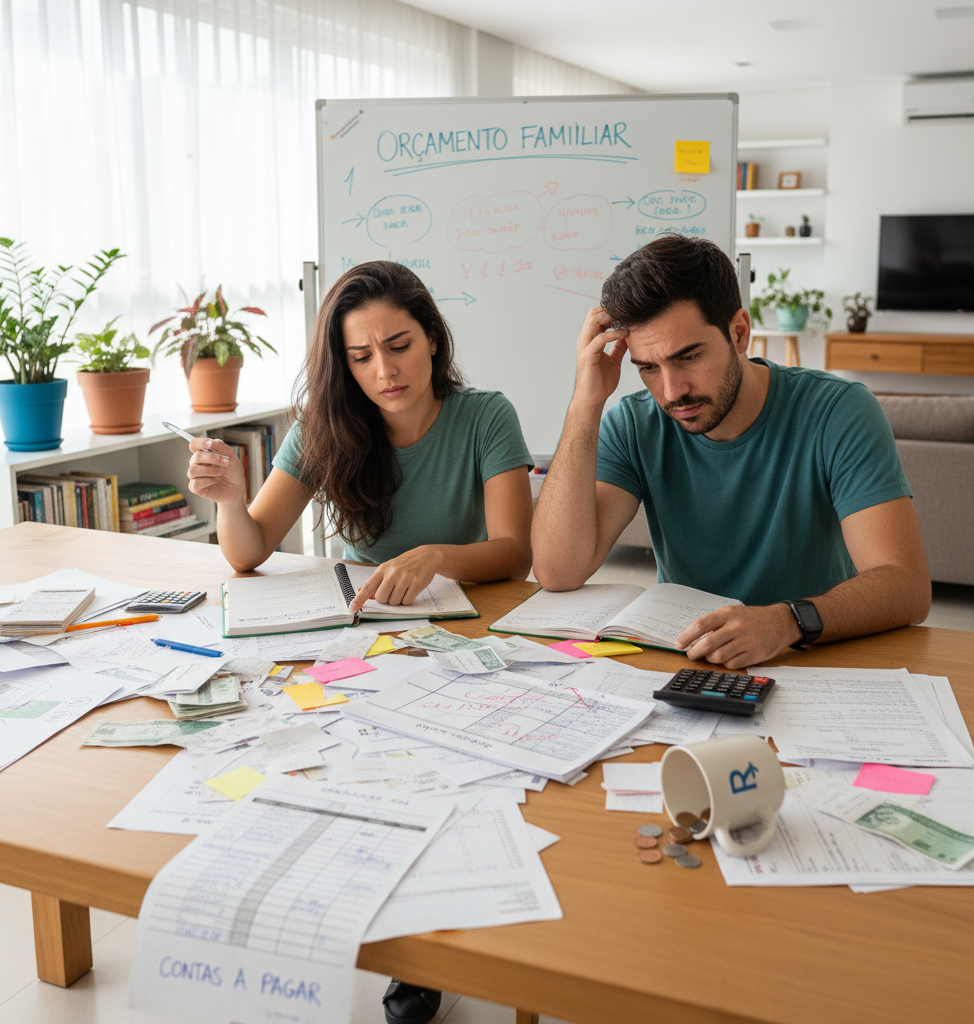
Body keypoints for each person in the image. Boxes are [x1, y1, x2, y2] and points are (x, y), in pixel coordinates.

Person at [186, 260, 534, 1024]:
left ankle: (433, 953)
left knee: (446, 782)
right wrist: (231, 501)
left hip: (462, 639)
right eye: (361, 355)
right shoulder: (327, 427)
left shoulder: (485, 416)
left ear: (433, 340)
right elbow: (248, 552)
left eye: (400, 345)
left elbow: (516, 551)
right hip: (362, 644)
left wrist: (441, 555)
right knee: (341, 770)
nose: (385, 370)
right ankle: (380, 935)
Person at [532, 235, 931, 668]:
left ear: (739, 332)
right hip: (691, 658)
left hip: (812, 653)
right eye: (648, 367)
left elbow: (905, 585)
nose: (671, 391)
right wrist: (585, 405)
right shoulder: (633, 423)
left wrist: (786, 621)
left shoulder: (838, 411)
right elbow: (558, 571)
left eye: (687, 357)